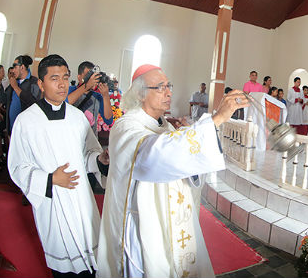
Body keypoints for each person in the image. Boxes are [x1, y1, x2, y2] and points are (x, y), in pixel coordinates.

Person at [97, 65, 248, 277]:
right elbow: (152, 157)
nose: (169, 92)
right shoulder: (125, 126)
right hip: (143, 227)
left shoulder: (165, 126)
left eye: (169, 86)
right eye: (160, 87)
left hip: (171, 225)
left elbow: (180, 163)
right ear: (140, 94)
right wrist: (215, 120)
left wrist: (185, 134)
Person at [8, 54, 108, 278]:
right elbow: (17, 166)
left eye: (65, 77)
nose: (62, 84)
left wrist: (101, 160)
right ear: (41, 84)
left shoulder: (77, 117)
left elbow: (89, 154)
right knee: (64, 269)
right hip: (53, 202)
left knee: (92, 267)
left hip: (82, 200)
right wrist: (50, 179)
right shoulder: (27, 121)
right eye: (54, 78)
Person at [66, 61, 113, 137]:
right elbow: (65, 103)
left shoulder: (97, 97)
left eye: (93, 75)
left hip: (90, 141)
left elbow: (108, 120)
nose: (91, 79)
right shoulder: (70, 90)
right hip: (71, 137)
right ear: (79, 77)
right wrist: (86, 86)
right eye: (88, 75)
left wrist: (105, 95)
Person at [0, 55, 41, 136]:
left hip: (25, 131)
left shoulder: (34, 83)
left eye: (15, 67)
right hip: (12, 129)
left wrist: (15, 87)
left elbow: (33, 103)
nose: (13, 70)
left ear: (22, 67)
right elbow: (4, 100)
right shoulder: (14, 82)